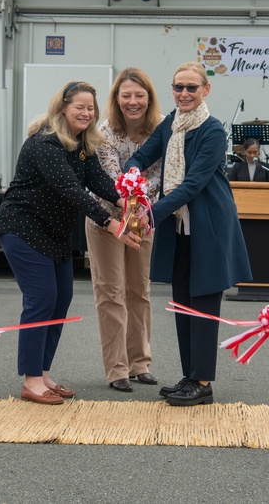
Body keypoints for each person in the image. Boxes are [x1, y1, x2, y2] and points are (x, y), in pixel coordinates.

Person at [0, 81, 141, 406]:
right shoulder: (45, 143)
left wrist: (127, 202)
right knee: (41, 299)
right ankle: (31, 381)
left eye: (91, 108)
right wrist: (111, 223)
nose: (86, 113)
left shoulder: (82, 145)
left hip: (54, 233)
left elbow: (97, 180)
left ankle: (43, 374)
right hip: (23, 227)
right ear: (63, 107)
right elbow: (71, 189)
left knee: (61, 300)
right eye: (80, 107)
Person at [125, 62, 252, 406]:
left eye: (191, 88)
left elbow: (194, 183)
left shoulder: (212, 131)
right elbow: (141, 156)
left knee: (205, 305)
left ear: (205, 90)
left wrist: (153, 211)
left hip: (209, 226)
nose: (184, 93)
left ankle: (203, 382)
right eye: (178, 87)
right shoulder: (170, 124)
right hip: (179, 227)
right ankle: (190, 375)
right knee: (183, 304)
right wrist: (132, 176)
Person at [86, 68, 163, 393]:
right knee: (111, 292)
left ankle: (139, 362)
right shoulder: (104, 130)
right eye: (126, 95)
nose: (133, 102)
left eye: (139, 95)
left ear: (148, 97)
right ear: (116, 99)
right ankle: (116, 368)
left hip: (144, 220)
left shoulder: (162, 129)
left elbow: (160, 173)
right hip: (107, 220)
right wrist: (127, 207)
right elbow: (109, 175)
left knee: (139, 291)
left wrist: (144, 209)